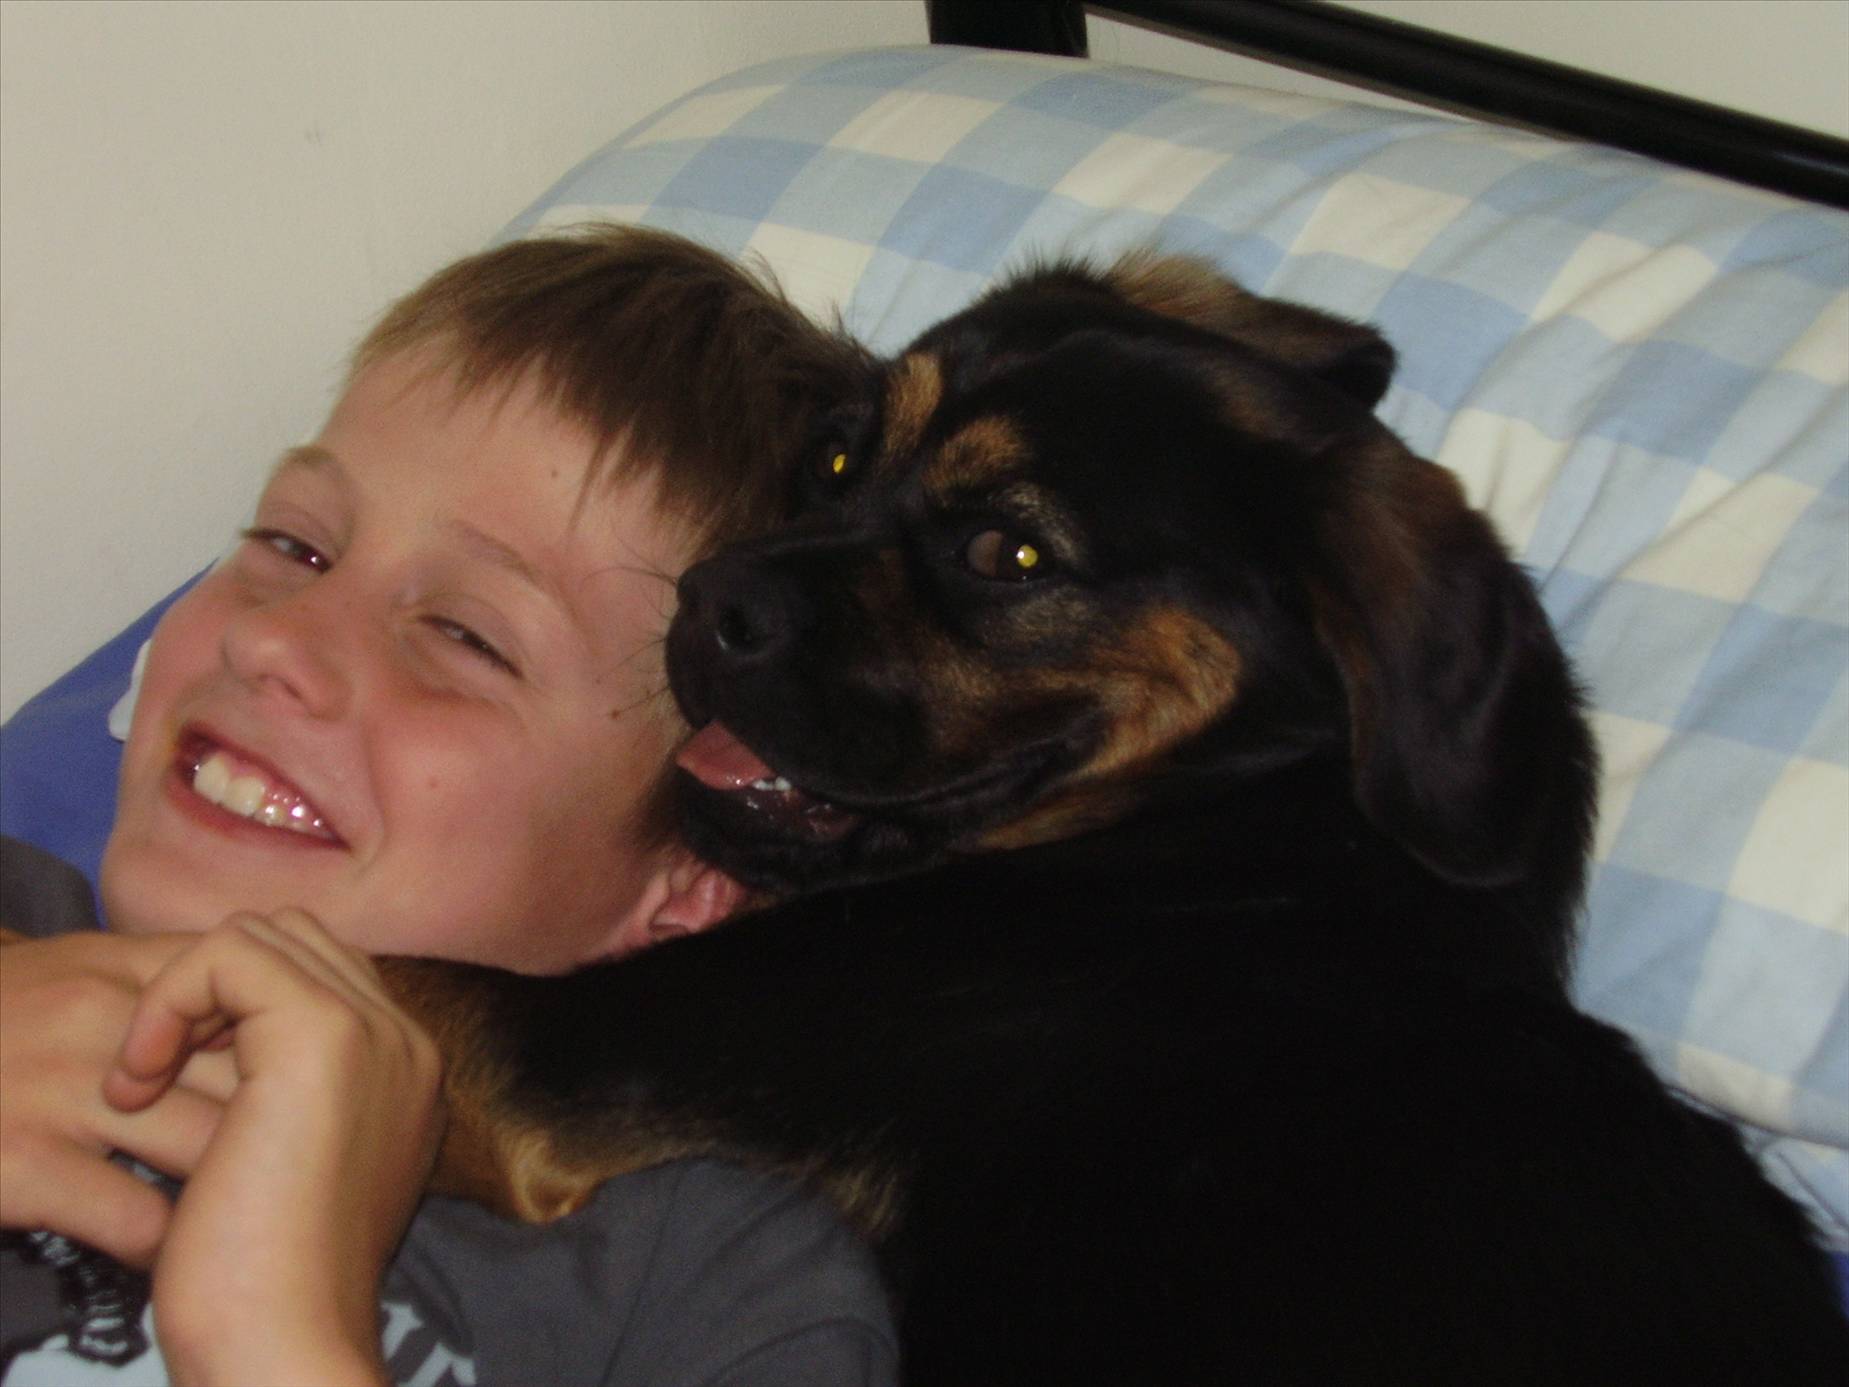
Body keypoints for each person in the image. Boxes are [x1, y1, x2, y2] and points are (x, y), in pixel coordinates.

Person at [0, 225, 895, 1386]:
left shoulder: (709, 1287)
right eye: (293, 545)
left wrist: (268, 1332)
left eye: (465, 637)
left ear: (686, 889)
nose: (276, 640)